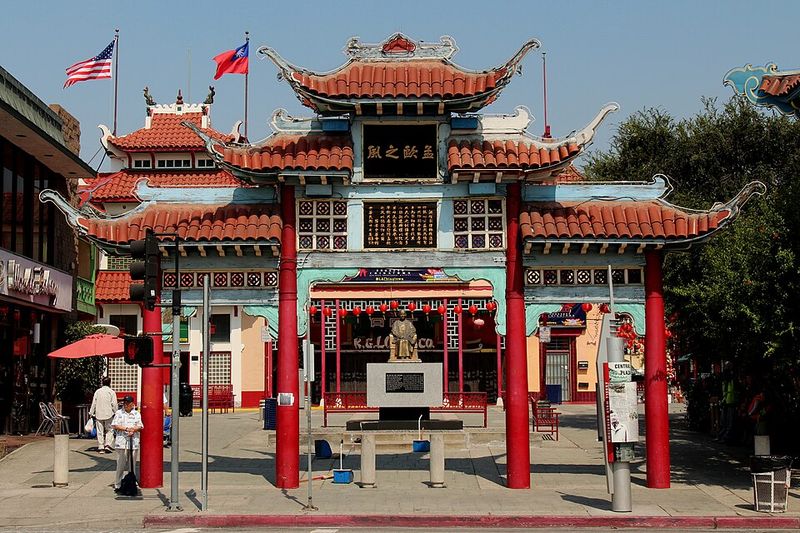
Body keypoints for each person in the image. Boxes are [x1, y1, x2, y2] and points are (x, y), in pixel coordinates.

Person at [111, 395, 143, 494]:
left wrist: (133, 429)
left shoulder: (136, 414)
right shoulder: (119, 413)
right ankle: (118, 484)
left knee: (132, 464)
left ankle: (131, 482)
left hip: (133, 441)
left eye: (127, 403)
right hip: (122, 441)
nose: (125, 405)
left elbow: (140, 425)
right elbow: (115, 425)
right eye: (124, 403)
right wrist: (126, 429)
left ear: (132, 404)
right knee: (120, 464)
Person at [88, 377, 117, 453]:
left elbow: (94, 403)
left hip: (99, 414)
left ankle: (101, 447)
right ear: (109, 383)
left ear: (102, 382)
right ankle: (107, 445)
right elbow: (114, 404)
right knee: (109, 430)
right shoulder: (111, 392)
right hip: (109, 414)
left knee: (100, 431)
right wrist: (116, 412)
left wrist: (91, 412)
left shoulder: (98, 392)